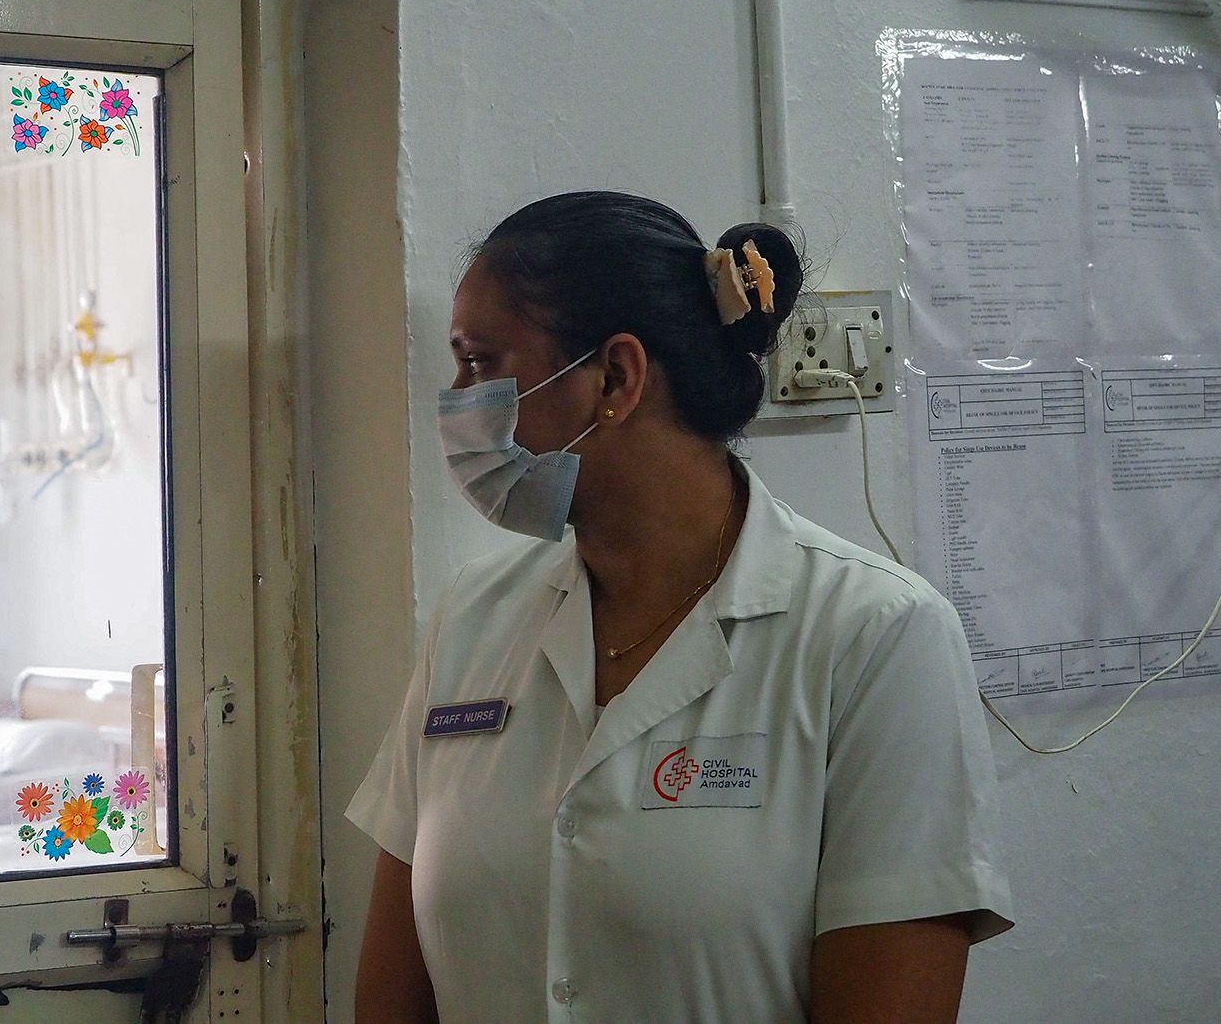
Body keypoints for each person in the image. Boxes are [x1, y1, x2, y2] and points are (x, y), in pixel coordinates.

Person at [348, 191, 1011, 1022]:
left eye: (479, 363)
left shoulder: (876, 637)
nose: (455, 402)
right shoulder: (473, 619)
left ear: (615, 378)